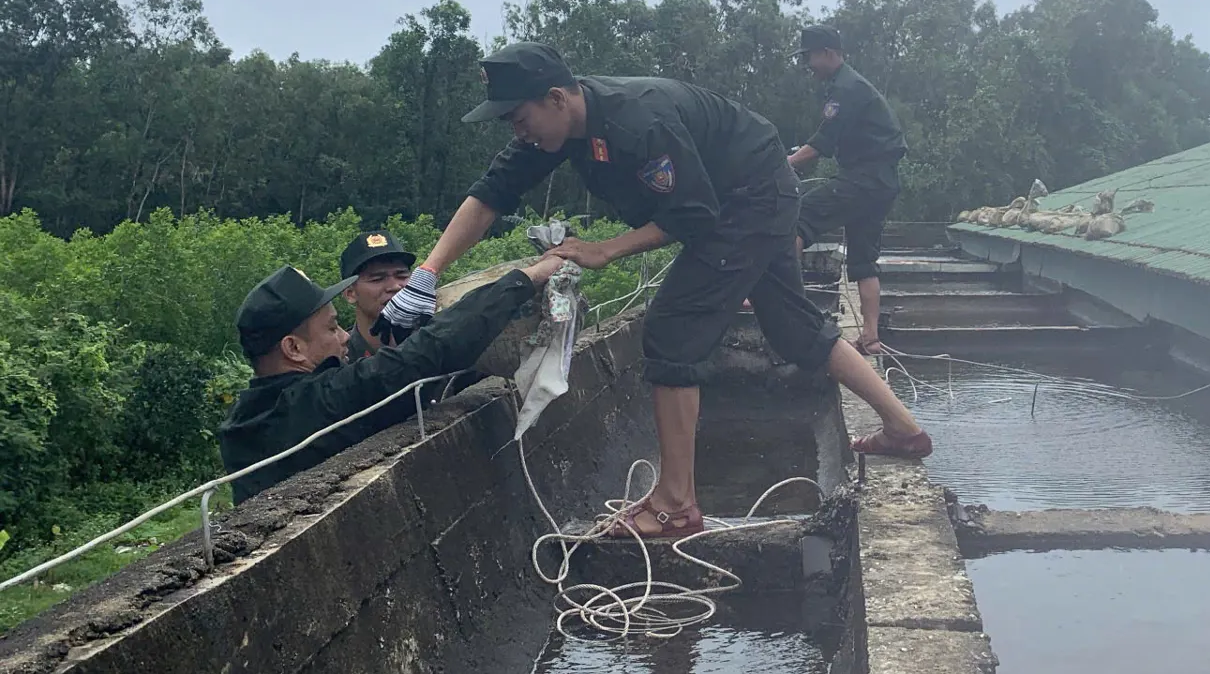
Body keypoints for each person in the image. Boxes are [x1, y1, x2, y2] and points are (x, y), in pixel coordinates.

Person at [379, 41, 931, 540]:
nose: (517, 133)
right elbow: (490, 194)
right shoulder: (551, 132)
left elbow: (693, 214)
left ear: (555, 98)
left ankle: (674, 504)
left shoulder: (637, 123)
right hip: (745, 197)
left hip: (750, 197)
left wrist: (604, 249)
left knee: (671, 333)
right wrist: (427, 273)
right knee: (792, 326)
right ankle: (903, 429)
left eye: (519, 119)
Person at [218, 254, 567, 505]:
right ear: (293, 348)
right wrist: (523, 279)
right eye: (331, 327)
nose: (343, 337)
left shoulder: (246, 419)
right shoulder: (320, 401)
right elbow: (422, 356)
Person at [783, 25, 906, 354]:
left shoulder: (846, 88)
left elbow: (821, 144)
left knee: (794, 221)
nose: (807, 64)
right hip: (882, 182)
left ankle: (786, 306)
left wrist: (785, 165)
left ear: (827, 52)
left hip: (864, 179)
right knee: (864, 260)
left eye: (809, 56)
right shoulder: (848, 85)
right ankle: (870, 337)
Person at [337, 229, 417, 361]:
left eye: (402, 275)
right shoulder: (338, 358)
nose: (395, 286)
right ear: (350, 294)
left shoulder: (437, 343)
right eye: (377, 279)